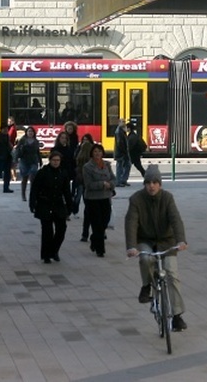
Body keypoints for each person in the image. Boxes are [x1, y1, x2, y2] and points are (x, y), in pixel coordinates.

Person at [125, 166, 189, 332]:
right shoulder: (136, 199)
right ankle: (146, 286)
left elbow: (176, 220)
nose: (151, 186)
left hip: (167, 242)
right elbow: (131, 223)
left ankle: (176, 316)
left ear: (160, 184)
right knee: (145, 259)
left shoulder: (167, 198)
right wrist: (131, 246)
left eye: (155, 182)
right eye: (148, 183)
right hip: (145, 240)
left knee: (172, 275)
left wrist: (181, 240)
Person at [29, 151, 74, 264]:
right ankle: (46, 255)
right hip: (45, 204)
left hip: (58, 204)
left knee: (61, 229)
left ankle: (54, 250)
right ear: (50, 160)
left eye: (58, 160)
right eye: (54, 160)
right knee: (47, 231)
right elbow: (35, 189)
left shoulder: (63, 173)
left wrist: (70, 206)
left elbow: (67, 191)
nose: (55, 162)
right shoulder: (42, 172)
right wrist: (32, 203)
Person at [82, 143, 114, 257]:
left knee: (105, 220)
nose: (97, 154)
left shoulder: (107, 165)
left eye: (99, 151)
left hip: (105, 197)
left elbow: (113, 178)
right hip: (93, 198)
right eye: (95, 152)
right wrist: (102, 184)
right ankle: (100, 249)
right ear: (92, 153)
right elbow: (88, 184)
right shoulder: (87, 167)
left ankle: (94, 238)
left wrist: (110, 184)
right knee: (97, 224)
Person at [15, 127, 42, 202]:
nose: (30, 133)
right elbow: (17, 150)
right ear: (26, 132)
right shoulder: (23, 140)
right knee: (25, 178)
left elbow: (38, 152)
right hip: (24, 161)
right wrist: (16, 159)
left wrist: (40, 161)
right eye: (29, 131)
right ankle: (23, 194)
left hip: (33, 161)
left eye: (32, 132)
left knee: (33, 177)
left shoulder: (36, 141)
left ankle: (32, 194)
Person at [113, 121, 131, 187]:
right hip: (121, 153)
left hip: (122, 152)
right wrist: (124, 152)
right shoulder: (119, 132)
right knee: (121, 167)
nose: (124, 123)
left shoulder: (121, 131)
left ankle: (122, 180)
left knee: (125, 165)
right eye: (123, 122)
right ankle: (119, 181)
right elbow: (120, 143)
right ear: (119, 123)